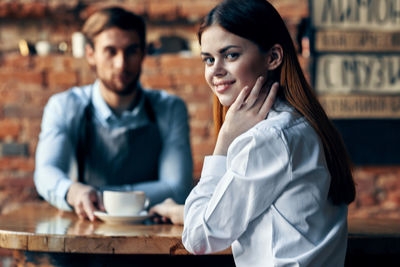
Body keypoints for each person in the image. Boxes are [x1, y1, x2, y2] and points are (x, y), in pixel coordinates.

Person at [181, 0, 356, 266]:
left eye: (230, 55)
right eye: (208, 59)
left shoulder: (267, 138)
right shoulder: (297, 122)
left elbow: (197, 238)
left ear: (273, 57)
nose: (215, 70)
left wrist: (223, 143)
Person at [34, 7, 193, 222]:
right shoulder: (64, 106)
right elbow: (45, 171)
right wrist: (73, 191)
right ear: (91, 54)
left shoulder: (170, 108)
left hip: (153, 235)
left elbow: (177, 187)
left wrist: (99, 196)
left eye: (131, 51)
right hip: (88, 231)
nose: (121, 64)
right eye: (111, 51)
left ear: (143, 53)